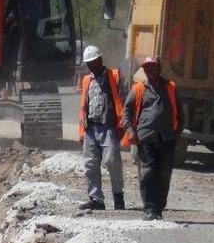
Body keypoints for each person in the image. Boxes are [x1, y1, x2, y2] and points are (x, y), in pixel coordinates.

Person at [123, 56, 183, 221]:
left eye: (152, 68)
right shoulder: (138, 89)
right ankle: (149, 208)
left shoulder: (170, 88)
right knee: (148, 173)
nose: (150, 71)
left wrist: (176, 133)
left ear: (159, 69)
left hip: (166, 138)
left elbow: (180, 112)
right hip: (146, 137)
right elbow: (126, 111)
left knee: (164, 174)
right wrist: (130, 130)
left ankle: (158, 208)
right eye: (147, 68)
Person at [77, 45, 128, 210]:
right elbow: (83, 106)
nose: (91, 66)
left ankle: (118, 196)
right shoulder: (87, 80)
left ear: (100, 60)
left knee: (112, 161)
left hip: (109, 127)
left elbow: (124, 99)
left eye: (93, 62)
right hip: (91, 128)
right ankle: (96, 199)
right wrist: (81, 132)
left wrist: (124, 125)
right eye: (88, 63)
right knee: (90, 164)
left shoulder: (114, 76)